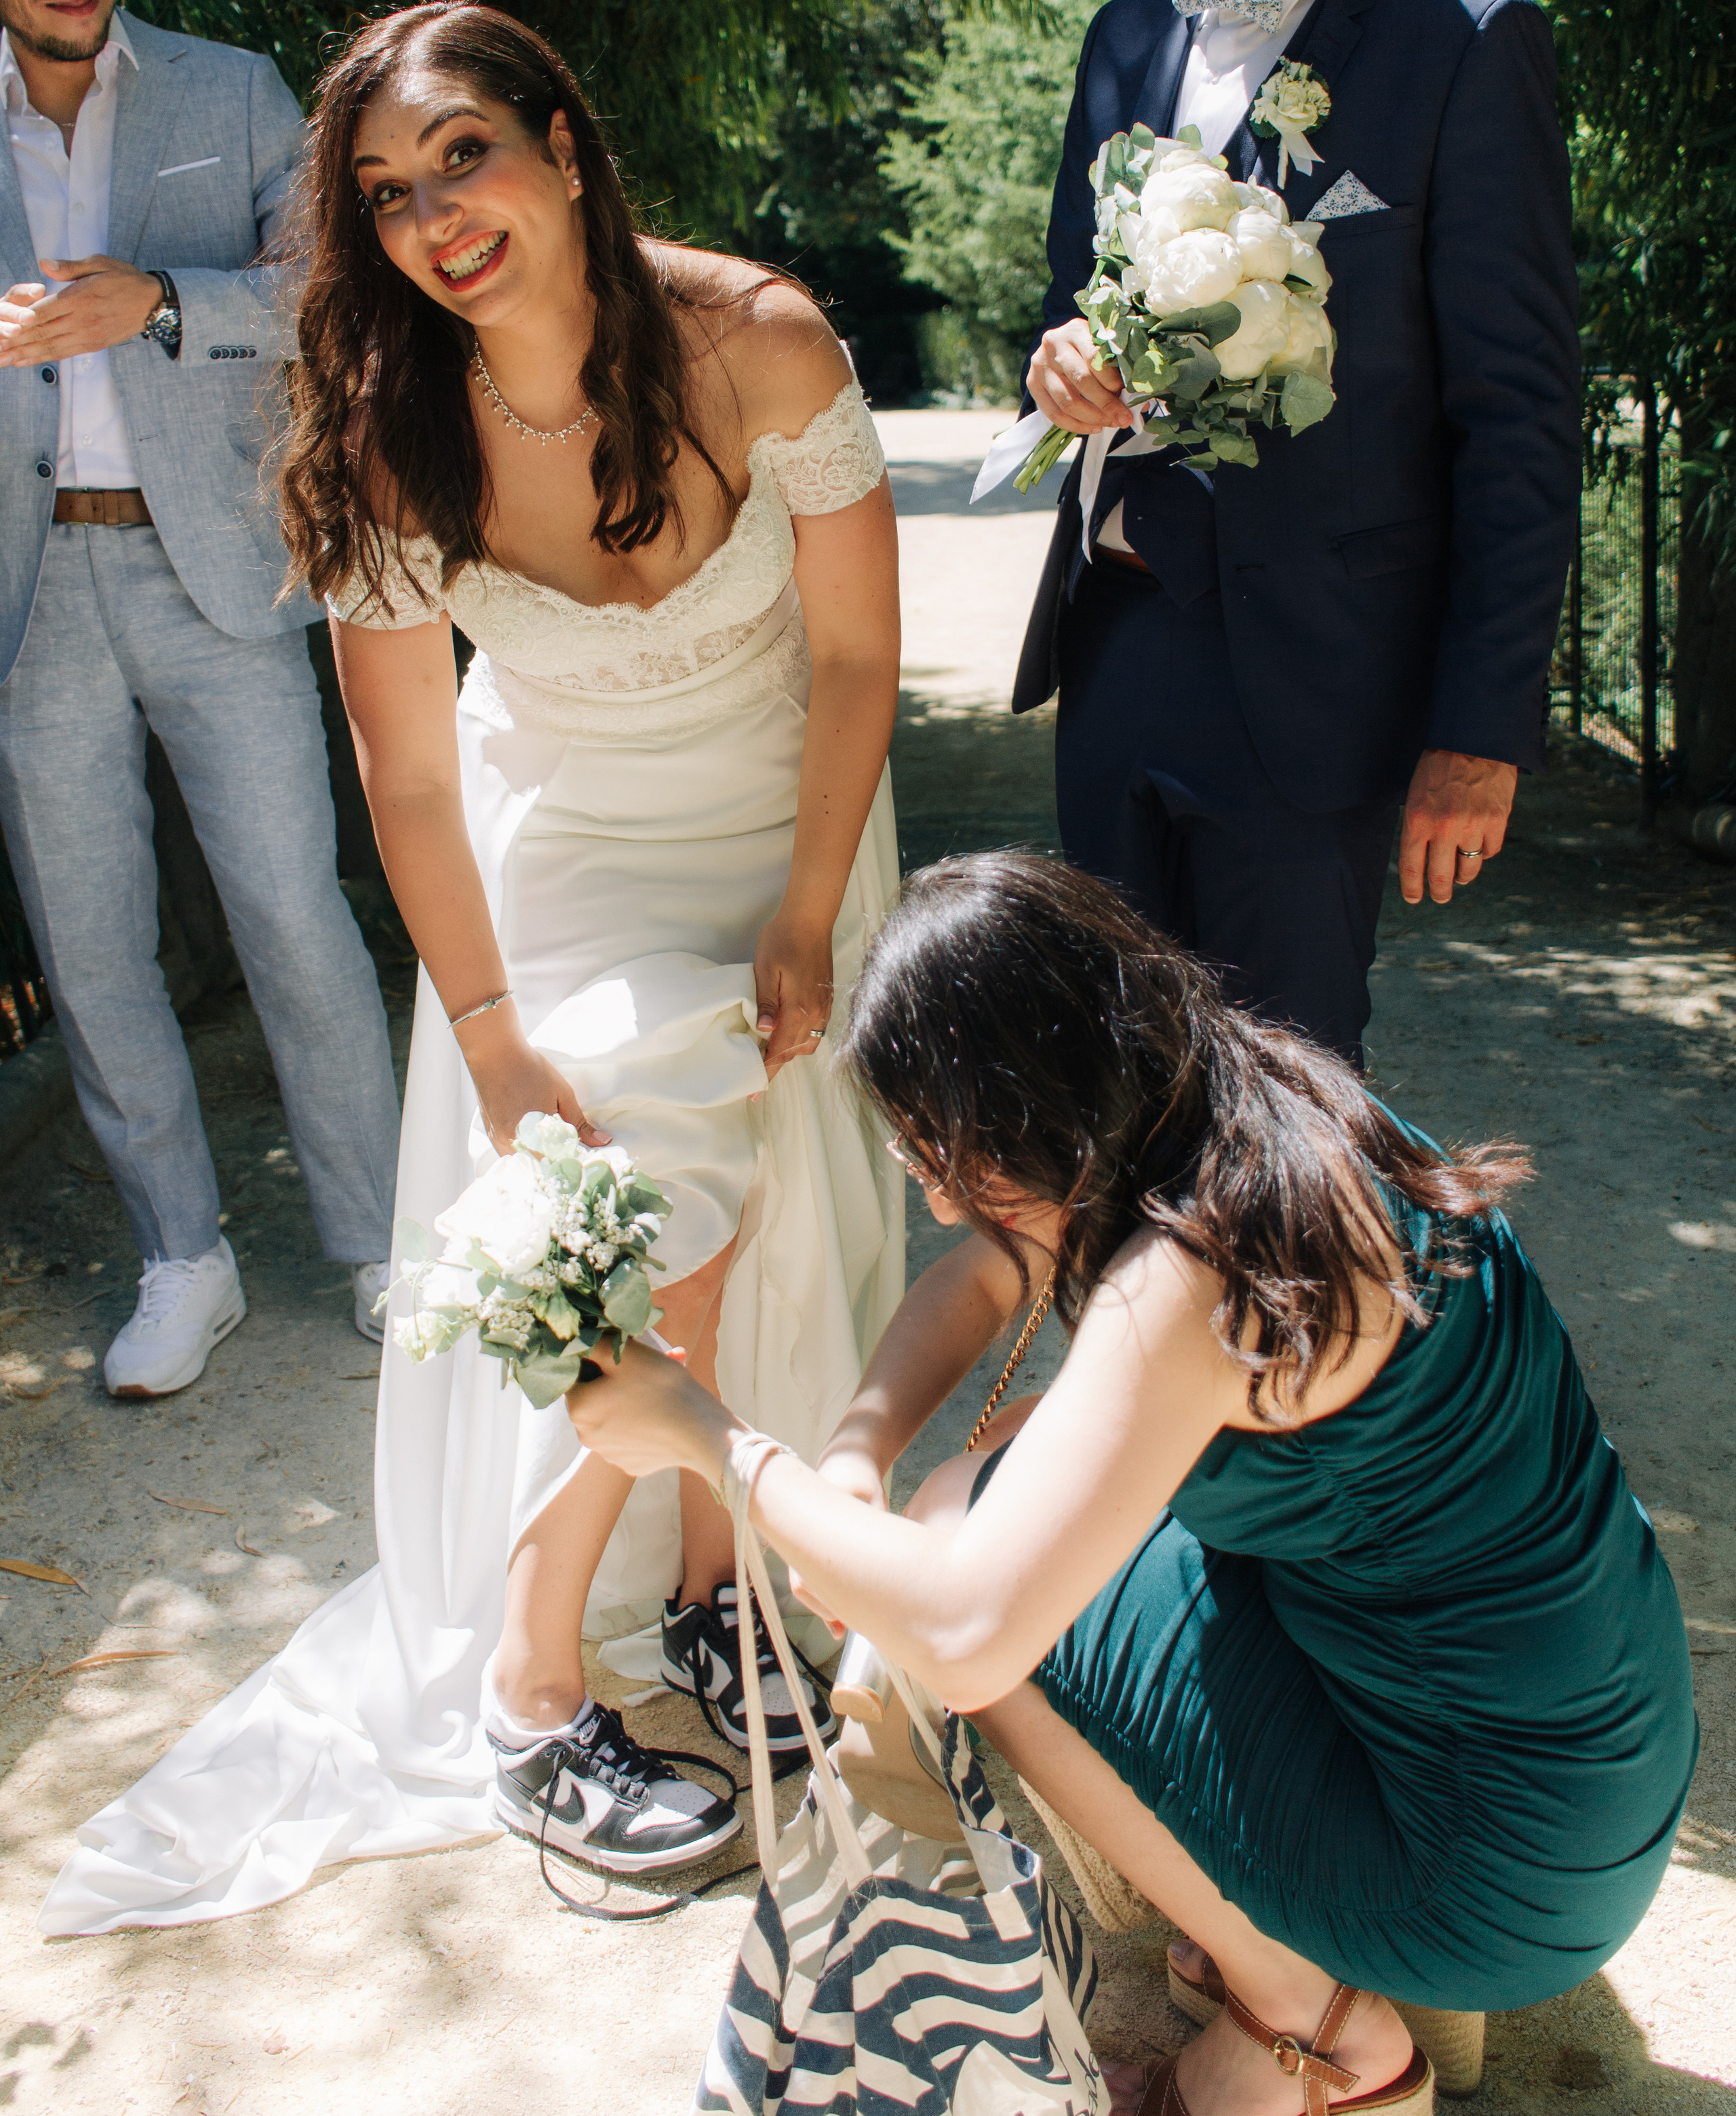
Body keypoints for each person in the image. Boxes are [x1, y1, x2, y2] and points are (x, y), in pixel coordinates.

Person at [39, 1, 905, 1935]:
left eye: (464, 156)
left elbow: (857, 663)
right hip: (568, 853)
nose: (434, 213)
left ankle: (698, 1599)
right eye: (384, 193)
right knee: (657, 1159)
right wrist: (496, 1029)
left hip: (789, 825)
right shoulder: (389, 436)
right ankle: (536, 1665)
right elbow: (411, 776)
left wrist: (802, 907)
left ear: (564, 144)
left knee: (729, 1167)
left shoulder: (760, 339)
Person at [566, 852, 1697, 2116]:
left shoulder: (1190, 1279)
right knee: (963, 1514)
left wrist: (711, 1438)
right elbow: (998, 1262)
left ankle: (1313, 2037)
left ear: (1028, 1114)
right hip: (1603, 1751)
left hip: (1489, 1874)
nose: (933, 1194)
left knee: (972, 1593)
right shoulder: (1258, 1102)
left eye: (938, 1153)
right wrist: (856, 1454)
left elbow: (963, 1629)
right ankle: (1282, 1919)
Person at [1008, 0, 1581, 1067]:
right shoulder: (1118, 41)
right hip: (1113, 640)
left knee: (1282, 1134)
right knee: (1112, 1101)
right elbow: (1076, 301)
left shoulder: (1463, 42)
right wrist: (1057, 367)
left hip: (1316, 680)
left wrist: (1480, 727)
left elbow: (1516, 415)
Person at [0, 0, 399, 1392]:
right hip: (32, 601)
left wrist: (158, 303)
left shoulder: (234, 93)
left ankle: (380, 1247)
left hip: (215, 571)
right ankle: (184, 1257)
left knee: (295, 918)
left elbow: (329, 296)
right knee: (91, 954)